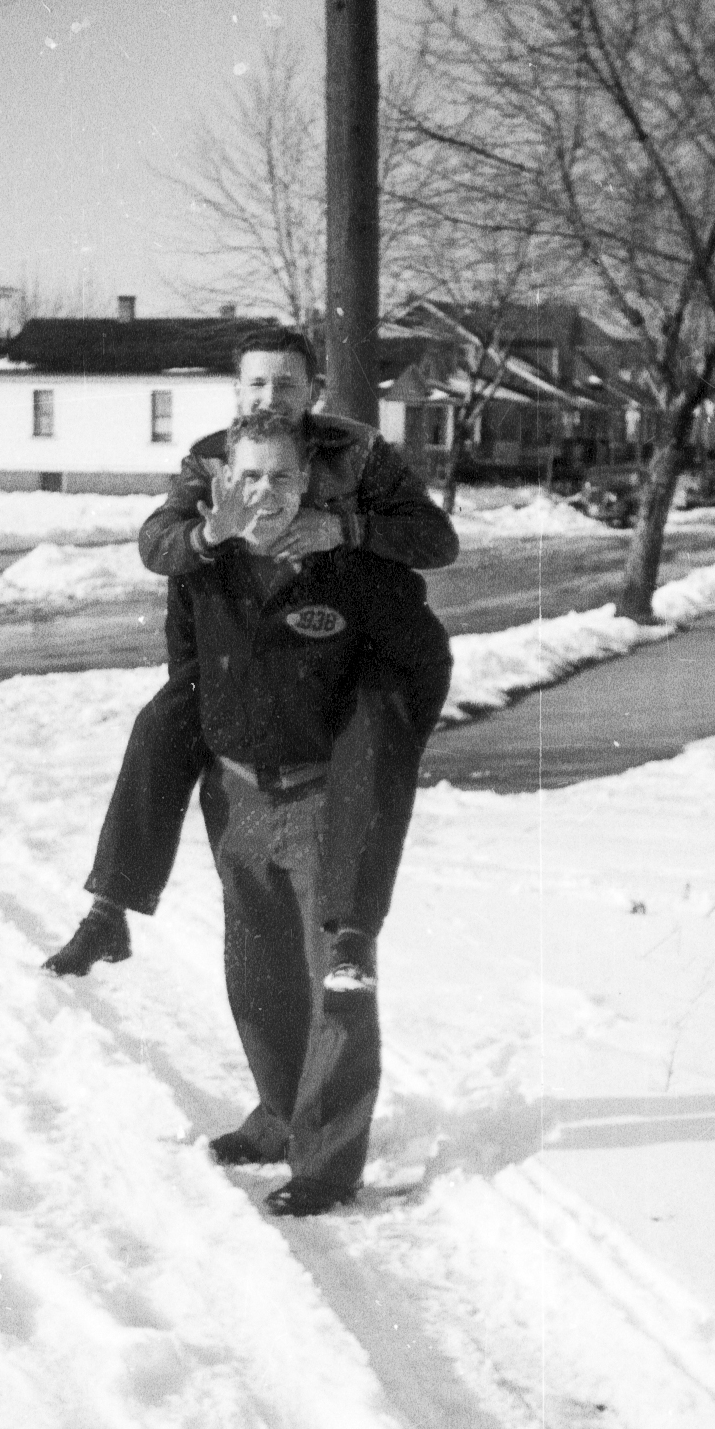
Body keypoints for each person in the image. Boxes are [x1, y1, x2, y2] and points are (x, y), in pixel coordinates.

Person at [43, 328, 458, 984]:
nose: (274, 395)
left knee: (373, 735)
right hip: (253, 630)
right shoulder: (212, 457)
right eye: (259, 383)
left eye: (289, 383)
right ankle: (109, 908)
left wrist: (346, 528)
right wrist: (210, 531)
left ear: (314, 391)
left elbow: (436, 540)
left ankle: (352, 931)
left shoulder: (358, 453)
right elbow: (157, 544)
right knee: (161, 722)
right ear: (236, 391)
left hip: (355, 634)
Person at [163, 410, 451, 1214]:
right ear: (224, 482)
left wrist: (377, 755)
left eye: (282, 477)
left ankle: (325, 1161)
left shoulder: (350, 568)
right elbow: (184, 671)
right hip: (235, 796)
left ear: (309, 484)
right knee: (256, 973)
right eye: (249, 476)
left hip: (322, 796)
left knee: (337, 982)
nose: (266, 493)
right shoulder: (204, 567)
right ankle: (279, 1116)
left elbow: (422, 659)